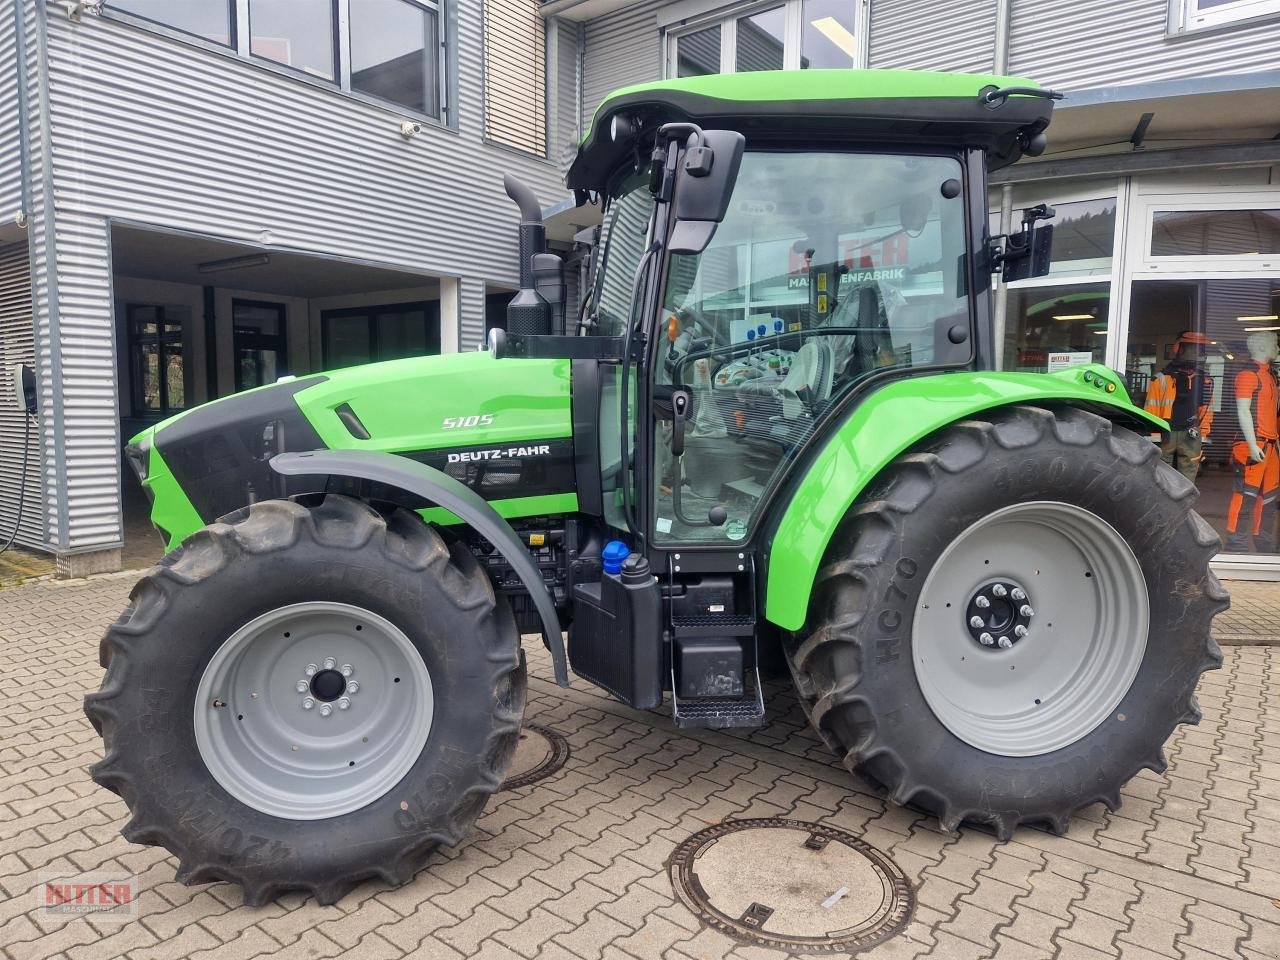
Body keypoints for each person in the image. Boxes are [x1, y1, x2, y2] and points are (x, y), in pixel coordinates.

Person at [1226, 331, 1280, 553]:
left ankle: (1263, 541)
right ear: (1260, 347)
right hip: (1252, 444)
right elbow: (1243, 410)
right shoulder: (1248, 375)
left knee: (1268, 497)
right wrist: (1251, 443)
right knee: (1245, 495)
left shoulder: (1270, 376)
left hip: (1270, 444)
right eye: (1275, 345)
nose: (1278, 349)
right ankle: (1235, 542)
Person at [1144, 330, 1215, 482]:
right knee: (1161, 474)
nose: (1199, 354)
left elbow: (1207, 410)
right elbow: (1150, 411)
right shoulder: (1161, 379)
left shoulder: (1205, 381)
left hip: (1191, 431)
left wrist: (1203, 433)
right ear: (1180, 349)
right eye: (1194, 349)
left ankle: (1182, 503)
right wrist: (1154, 436)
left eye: (1200, 350)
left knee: (1186, 477)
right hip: (1165, 432)